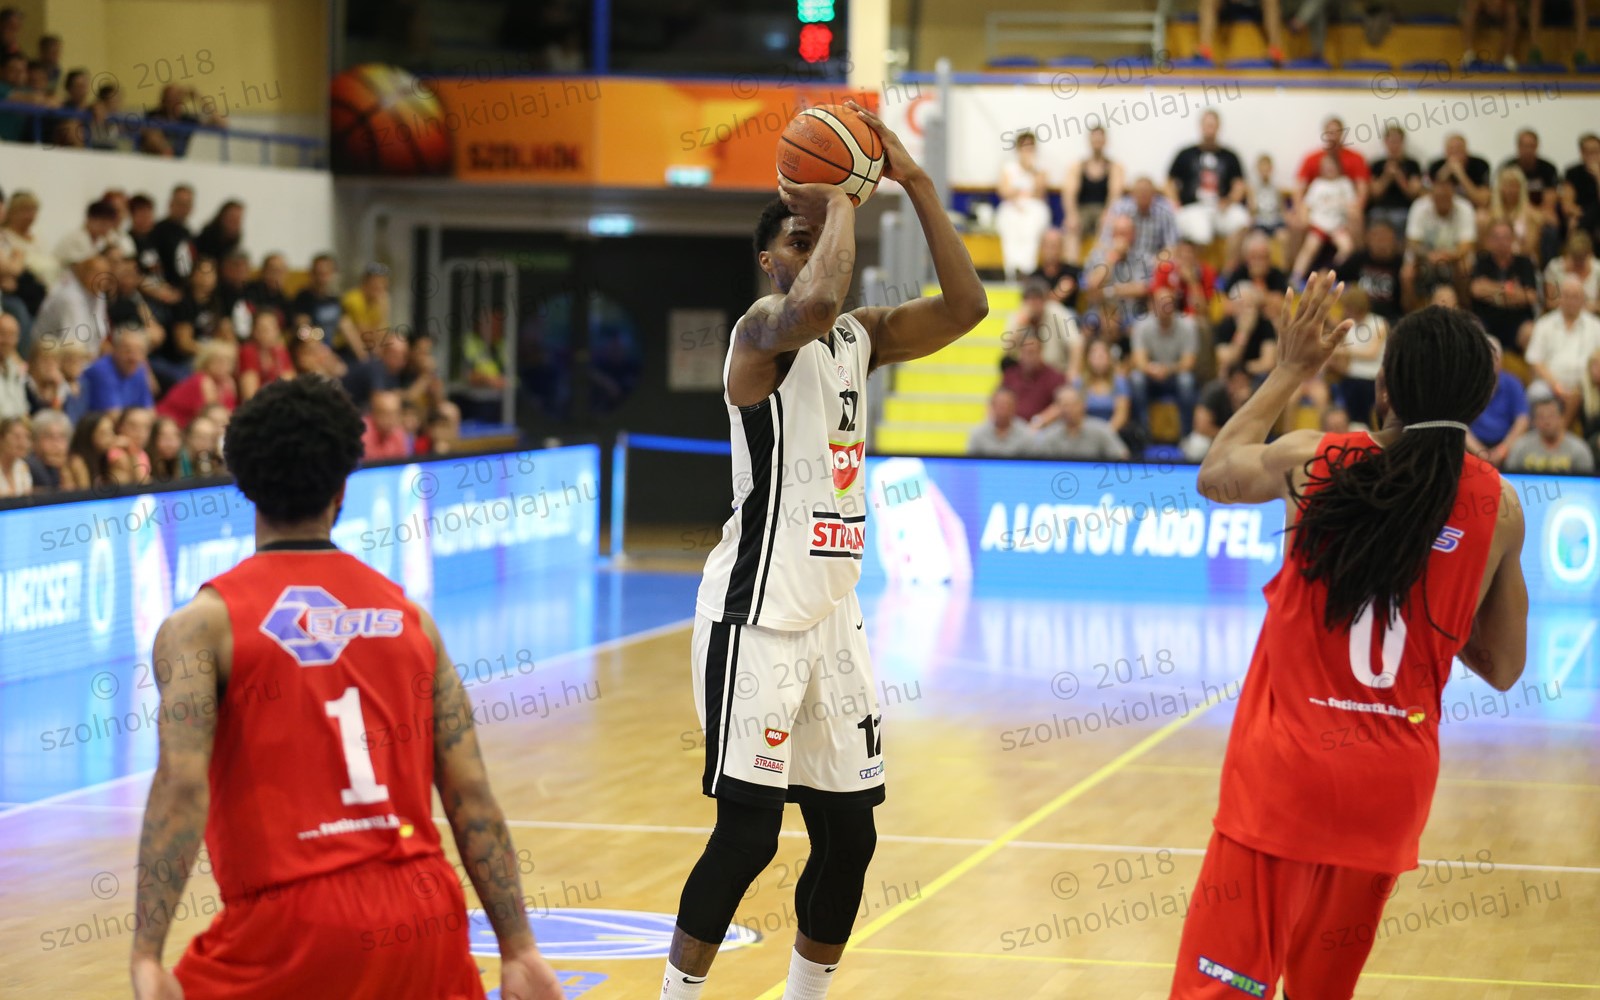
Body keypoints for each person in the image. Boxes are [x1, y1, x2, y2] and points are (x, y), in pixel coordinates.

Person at [667, 98, 986, 1000]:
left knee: (851, 837)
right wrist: (842, 195)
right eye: (794, 240)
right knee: (749, 838)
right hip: (757, 616)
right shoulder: (757, 334)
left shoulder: (862, 338)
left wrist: (912, 180)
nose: (810, 249)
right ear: (768, 260)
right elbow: (813, 301)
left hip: (834, 623)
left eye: (817, 235)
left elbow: (968, 306)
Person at [128, 376, 563, 1000]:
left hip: (291, 927)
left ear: (242, 484)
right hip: (425, 918)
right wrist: (518, 947)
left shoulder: (201, 626)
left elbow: (180, 786)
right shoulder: (412, 621)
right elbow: (471, 796)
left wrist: (147, 955)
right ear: (343, 489)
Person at [1175, 272, 1528, 998]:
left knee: (1222, 990)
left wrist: (1289, 370)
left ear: (1386, 387)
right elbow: (1502, 666)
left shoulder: (1319, 461)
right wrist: (1431, 587)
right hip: (1391, 792)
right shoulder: (1499, 505)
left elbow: (1215, 474)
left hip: (1287, 779)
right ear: (1482, 399)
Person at [1165, 109, 1251, 264]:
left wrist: (1229, 201)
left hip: (1220, 208)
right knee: (1201, 232)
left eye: (1213, 125)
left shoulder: (1230, 156)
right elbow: (1169, 182)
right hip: (1193, 208)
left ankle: (1227, 274)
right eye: (1207, 125)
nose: (1210, 129)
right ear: (1201, 126)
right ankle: (1197, 274)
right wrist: (1175, 203)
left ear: (1218, 127)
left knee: (1242, 219)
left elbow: (1239, 185)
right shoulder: (1185, 154)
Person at [1128, 287, 1200, 437]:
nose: (1164, 307)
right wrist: (1151, 369)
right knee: (1136, 378)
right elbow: (1139, 361)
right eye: (1160, 303)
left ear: (1174, 305)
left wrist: (1167, 370)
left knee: (1186, 380)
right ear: (1152, 305)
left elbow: (1188, 363)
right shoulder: (1142, 326)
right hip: (1151, 376)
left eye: (1168, 303)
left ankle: (1186, 433)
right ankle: (1143, 433)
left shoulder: (1188, 325)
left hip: (1174, 376)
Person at [1468, 220, 1541, 360]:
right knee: (1473, 329)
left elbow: (1531, 296)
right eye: (1496, 237)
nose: (1501, 242)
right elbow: (1476, 289)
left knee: (1531, 332)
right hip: (1487, 320)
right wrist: (1511, 290)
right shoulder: (1482, 260)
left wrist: (1491, 291)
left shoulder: (1525, 262)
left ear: (1513, 239)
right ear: (1489, 240)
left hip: (1518, 322)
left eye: (1505, 237)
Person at [1526, 274, 1600, 412]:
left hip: (1587, 386)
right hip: (1550, 386)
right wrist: (1556, 387)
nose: (1571, 301)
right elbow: (1535, 361)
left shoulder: (1596, 326)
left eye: (1576, 296)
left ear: (1583, 299)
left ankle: (1566, 424)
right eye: (1567, 296)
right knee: (1536, 393)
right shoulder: (1544, 324)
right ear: (1560, 298)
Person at [1403, 173, 1476, 308]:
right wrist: (1429, 255)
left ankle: (1464, 309)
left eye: (1446, 196)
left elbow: (1467, 245)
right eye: (1439, 196)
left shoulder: (1465, 208)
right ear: (1432, 195)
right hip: (1425, 258)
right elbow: (1412, 243)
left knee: (1465, 268)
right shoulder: (1419, 206)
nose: (1442, 199)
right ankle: (1412, 312)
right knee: (1407, 274)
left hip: (1454, 258)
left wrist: (1448, 256)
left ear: (1453, 195)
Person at [1290, 152, 1357, 287]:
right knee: (1309, 248)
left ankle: (1331, 274)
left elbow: (1352, 204)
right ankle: (1296, 276)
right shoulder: (1318, 184)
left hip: (1338, 225)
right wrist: (1305, 219)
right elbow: (1306, 205)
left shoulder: (1345, 184)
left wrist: (1350, 219)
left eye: (1332, 165)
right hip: (1319, 224)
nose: (1329, 168)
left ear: (1338, 166)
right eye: (1326, 166)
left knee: (1347, 248)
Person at [1062, 124, 1123, 264]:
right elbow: (1069, 195)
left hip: (1103, 211)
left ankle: (1098, 268)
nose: (1097, 142)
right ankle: (1071, 269)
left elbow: (1115, 196)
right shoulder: (1078, 166)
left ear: (1105, 141)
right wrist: (1071, 215)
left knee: (1107, 227)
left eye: (1100, 139)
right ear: (1089, 141)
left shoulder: (1114, 167)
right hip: (1083, 210)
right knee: (1071, 229)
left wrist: (1108, 214)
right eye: (1094, 139)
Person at [995, 130, 1051, 279]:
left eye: (1030, 147)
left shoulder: (1040, 168)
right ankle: (1012, 270)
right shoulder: (1008, 168)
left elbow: (1040, 192)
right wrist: (1017, 196)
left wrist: (1031, 170)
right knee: (1011, 229)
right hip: (1012, 207)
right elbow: (1004, 191)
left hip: (1033, 207)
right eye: (1024, 147)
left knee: (1030, 228)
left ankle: (1027, 269)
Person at [1003, 278, 1081, 380]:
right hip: (1026, 376)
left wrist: (1073, 371)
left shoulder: (1057, 313)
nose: (1034, 304)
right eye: (1030, 299)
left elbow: (1076, 343)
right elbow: (1007, 350)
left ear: (1045, 300)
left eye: (1037, 299)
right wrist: (1021, 323)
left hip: (1056, 373)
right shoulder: (1018, 317)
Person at [1331, 285, 1386, 427]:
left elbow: (1372, 353)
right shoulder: (1348, 325)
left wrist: (1343, 351)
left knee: (1368, 417)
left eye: (1348, 307)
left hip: (1371, 380)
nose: (1345, 311)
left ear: (1357, 307)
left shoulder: (1378, 323)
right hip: (1350, 378)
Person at [1027, 385, 1130, 460]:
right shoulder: (1050, 435)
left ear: (1082, 405)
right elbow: (1038, 463)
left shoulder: (1101, 430)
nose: (1068, 410)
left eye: (1072, 405)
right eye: (1064, 406)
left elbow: (1122, 456)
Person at [158, 337, 238, 427]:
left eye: (228, 361)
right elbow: (211, 416)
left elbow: (230, 413)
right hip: (168, 424)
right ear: (206, 362)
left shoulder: (228, 383)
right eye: (218, 361)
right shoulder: (202, 380)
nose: (223, 365)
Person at [1337, 220, 1405, 324]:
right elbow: (1335, 276)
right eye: (1376, 237)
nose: (1381, 242)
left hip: (1388, 320)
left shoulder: (1401, 264)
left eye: (1385, 238)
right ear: (1368, 238)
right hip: (1357, 317)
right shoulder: (1359, 258)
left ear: (1394, 239)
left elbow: (1405, 305)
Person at [1507, 396, 1596, 472]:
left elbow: (1587, 481)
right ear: (1534, 421)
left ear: (1561, 418)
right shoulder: (1521, 447)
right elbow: (1510, 477)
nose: (1547, 421)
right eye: (1541, 417)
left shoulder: (1578, 449)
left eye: (1551, 416)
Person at [81, 325, 155, 413]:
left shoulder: (140, 370)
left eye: (139, 351)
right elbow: (113, 414)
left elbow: (149, 410)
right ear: (115, 349)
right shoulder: (100, 371)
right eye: (128, 351)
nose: (133, 357)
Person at [1366, 123, 1422, 238]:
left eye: (1397, 141)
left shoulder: (1412, 164)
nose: (1394, 145)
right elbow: (1374, 193)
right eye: (1391, 141)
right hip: (1381, 210)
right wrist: (1386, 177)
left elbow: (1413, 193)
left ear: (1402, 142)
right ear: (1385, 142)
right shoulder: (1377, 164)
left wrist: (1399, 177)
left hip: (1404, 210)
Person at [1485, 166, 1545, 262]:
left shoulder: (1532, 215)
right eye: (1506, 185)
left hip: (1522, 259)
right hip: (1496, 260)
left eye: (1514, 186)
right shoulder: (1491, 213)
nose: (1510, 190)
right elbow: (1486, 245)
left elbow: (1530, 247)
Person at [1428, 134, 1493, 211]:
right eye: (1451, 149)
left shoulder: (1480, 165)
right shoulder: (1436, 166)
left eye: (1458, 149)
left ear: (1466, 150)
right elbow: (1429, 198)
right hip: (1445, 210)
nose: (1454, 153)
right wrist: (1445, 173)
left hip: (1473, 208)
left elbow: (1482, 201)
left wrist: (1460, 174)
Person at [1542, 230, 1600, 311]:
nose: (1578, 263)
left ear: (1589, 254)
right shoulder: (1555, 268)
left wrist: (1586, 307)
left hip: (1591, 315)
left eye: (1582, 259)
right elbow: (1549, 303)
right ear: (1568, 253)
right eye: (1575, 258)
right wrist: (1570, 305)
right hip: (1561, 314)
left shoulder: (1598, 269)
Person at [967, 386, 1033, 457]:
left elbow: (1031, 461)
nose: (1003, 410)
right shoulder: (978, 434)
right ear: (992, 406)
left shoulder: (1026, 434)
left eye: (1007, 405)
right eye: (1000, 405)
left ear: (1015, 407)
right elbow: (971, 461)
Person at [23, 406, 69, 492]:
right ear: (34, 440)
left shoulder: (69, 463)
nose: (56, 444)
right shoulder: (30, 465)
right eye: (49, 437)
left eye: (62, 437)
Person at [361, 388, 412, 459]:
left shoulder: (399, 433)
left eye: (395, 414)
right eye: (386, 414)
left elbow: (403, 463)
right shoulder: (362, 432)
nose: (391, 419)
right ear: (374, 413)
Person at [0, 413, 29, 497]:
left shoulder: (22, 467)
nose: (23, 443)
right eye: (16, 437)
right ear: (1, 438)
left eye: (26, 437)